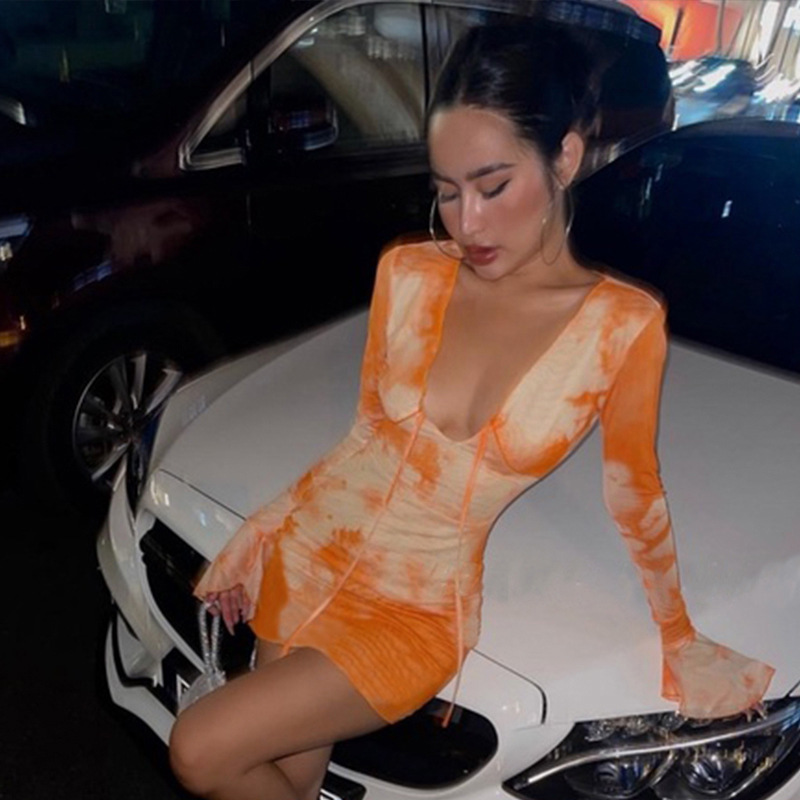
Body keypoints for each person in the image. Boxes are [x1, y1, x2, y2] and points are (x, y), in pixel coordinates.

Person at [168, 21, 775, 800]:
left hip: (417, 614)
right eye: (447, 191)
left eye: (492, 186)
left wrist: (678, 634)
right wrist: (258, 535)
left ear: (565, 157)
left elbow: (635, 492)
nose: (467, 222)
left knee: (201, 749)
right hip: (310, 557)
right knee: (290, 779)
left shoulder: (622, 326)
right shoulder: (409, 274)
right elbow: (364, 441)